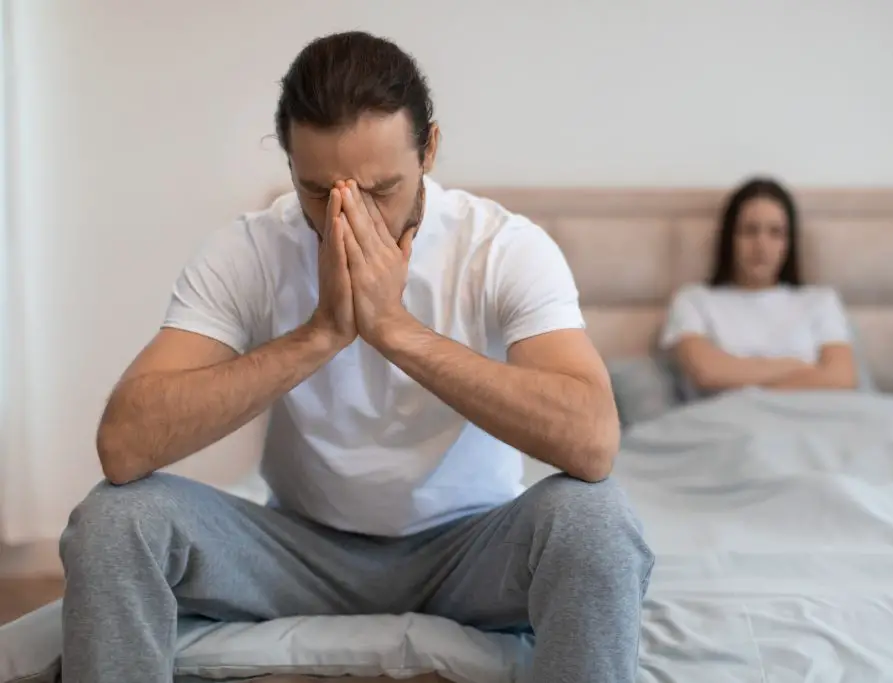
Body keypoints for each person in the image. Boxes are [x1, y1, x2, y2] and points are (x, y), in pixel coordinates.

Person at [52, 31, 653, 683]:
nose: (348, 216)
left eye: (381, 188)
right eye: (319, 192)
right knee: (114, 520)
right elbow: (124, 443)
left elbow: (592, 440)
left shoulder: (503, 247)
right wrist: (320, 334)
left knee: (597, 519)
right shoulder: (251, 250)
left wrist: (396, 329)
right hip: (298, 551)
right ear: (289, 167)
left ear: (429, 149)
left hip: (472, 550)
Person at [660, 176, 859, 396]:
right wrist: (796, 367)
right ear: (729, 238)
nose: (761, 245)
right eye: (749, 231)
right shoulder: (693, 300)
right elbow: (707, 372)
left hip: (816, 418)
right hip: (733, 421)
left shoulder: (821, 300)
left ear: (789, 242)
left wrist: (750, 379)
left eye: (775, 232)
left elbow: (842, 377)